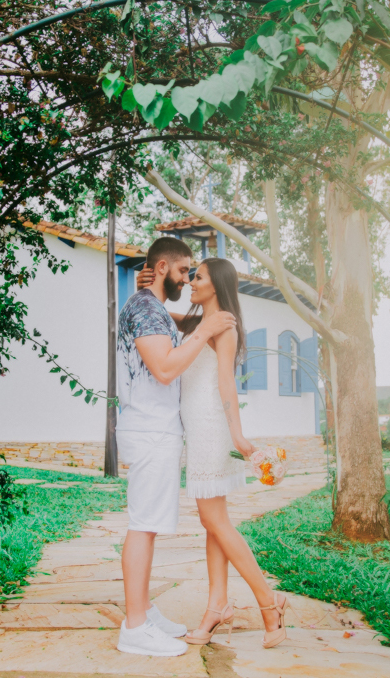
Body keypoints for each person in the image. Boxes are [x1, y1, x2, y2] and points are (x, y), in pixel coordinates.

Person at [136, 257, 290, 649]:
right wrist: (145, 288)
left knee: (215, 520)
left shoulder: (224, 327)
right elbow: (163, 316)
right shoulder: (199, 324)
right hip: (197, 429)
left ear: (216, 285)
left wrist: (238, 434)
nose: (190, 282)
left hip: (211, 429)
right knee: (213, 522)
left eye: (198, 277)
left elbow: (226, 383)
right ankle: (217, 606)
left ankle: (268, 602)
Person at [114, 237, 236, 657]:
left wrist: (199, 325)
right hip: (150, 430)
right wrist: (204, 330)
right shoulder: (147, 309)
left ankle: (144, 611)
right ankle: (134, 627)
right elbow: (165, 369)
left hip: (157, 429)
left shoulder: (153, 308)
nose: (187, 279)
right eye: (184, 271)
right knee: (143, 524)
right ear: (164, 267)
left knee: (148, 524)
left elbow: (173, 329)